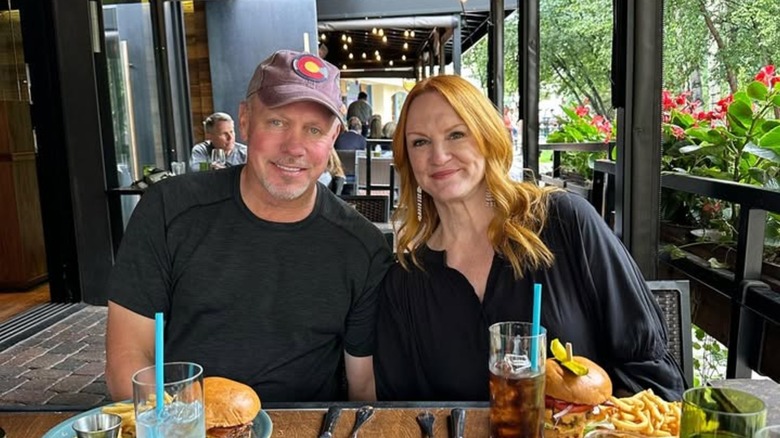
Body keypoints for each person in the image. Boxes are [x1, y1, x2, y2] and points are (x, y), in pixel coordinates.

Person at [373, 75, 685, 402]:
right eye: (420, 142)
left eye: (456, 134)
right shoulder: (405, 283)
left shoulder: (564, 222)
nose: (439, 155)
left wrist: (603, 424)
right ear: (407, 160)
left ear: (487, 138)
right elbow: (402, 413)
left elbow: (648, 371)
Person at [106, 50, 393, 403]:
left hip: (306, 425)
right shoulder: (168, 209)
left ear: (333, 137)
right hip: (187, 420)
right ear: (245, 120)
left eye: (314, 129)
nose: (294, 147)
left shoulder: (363, 247)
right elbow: (128, 357)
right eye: (277, 122)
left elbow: (363, 388)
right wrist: (177, 423)